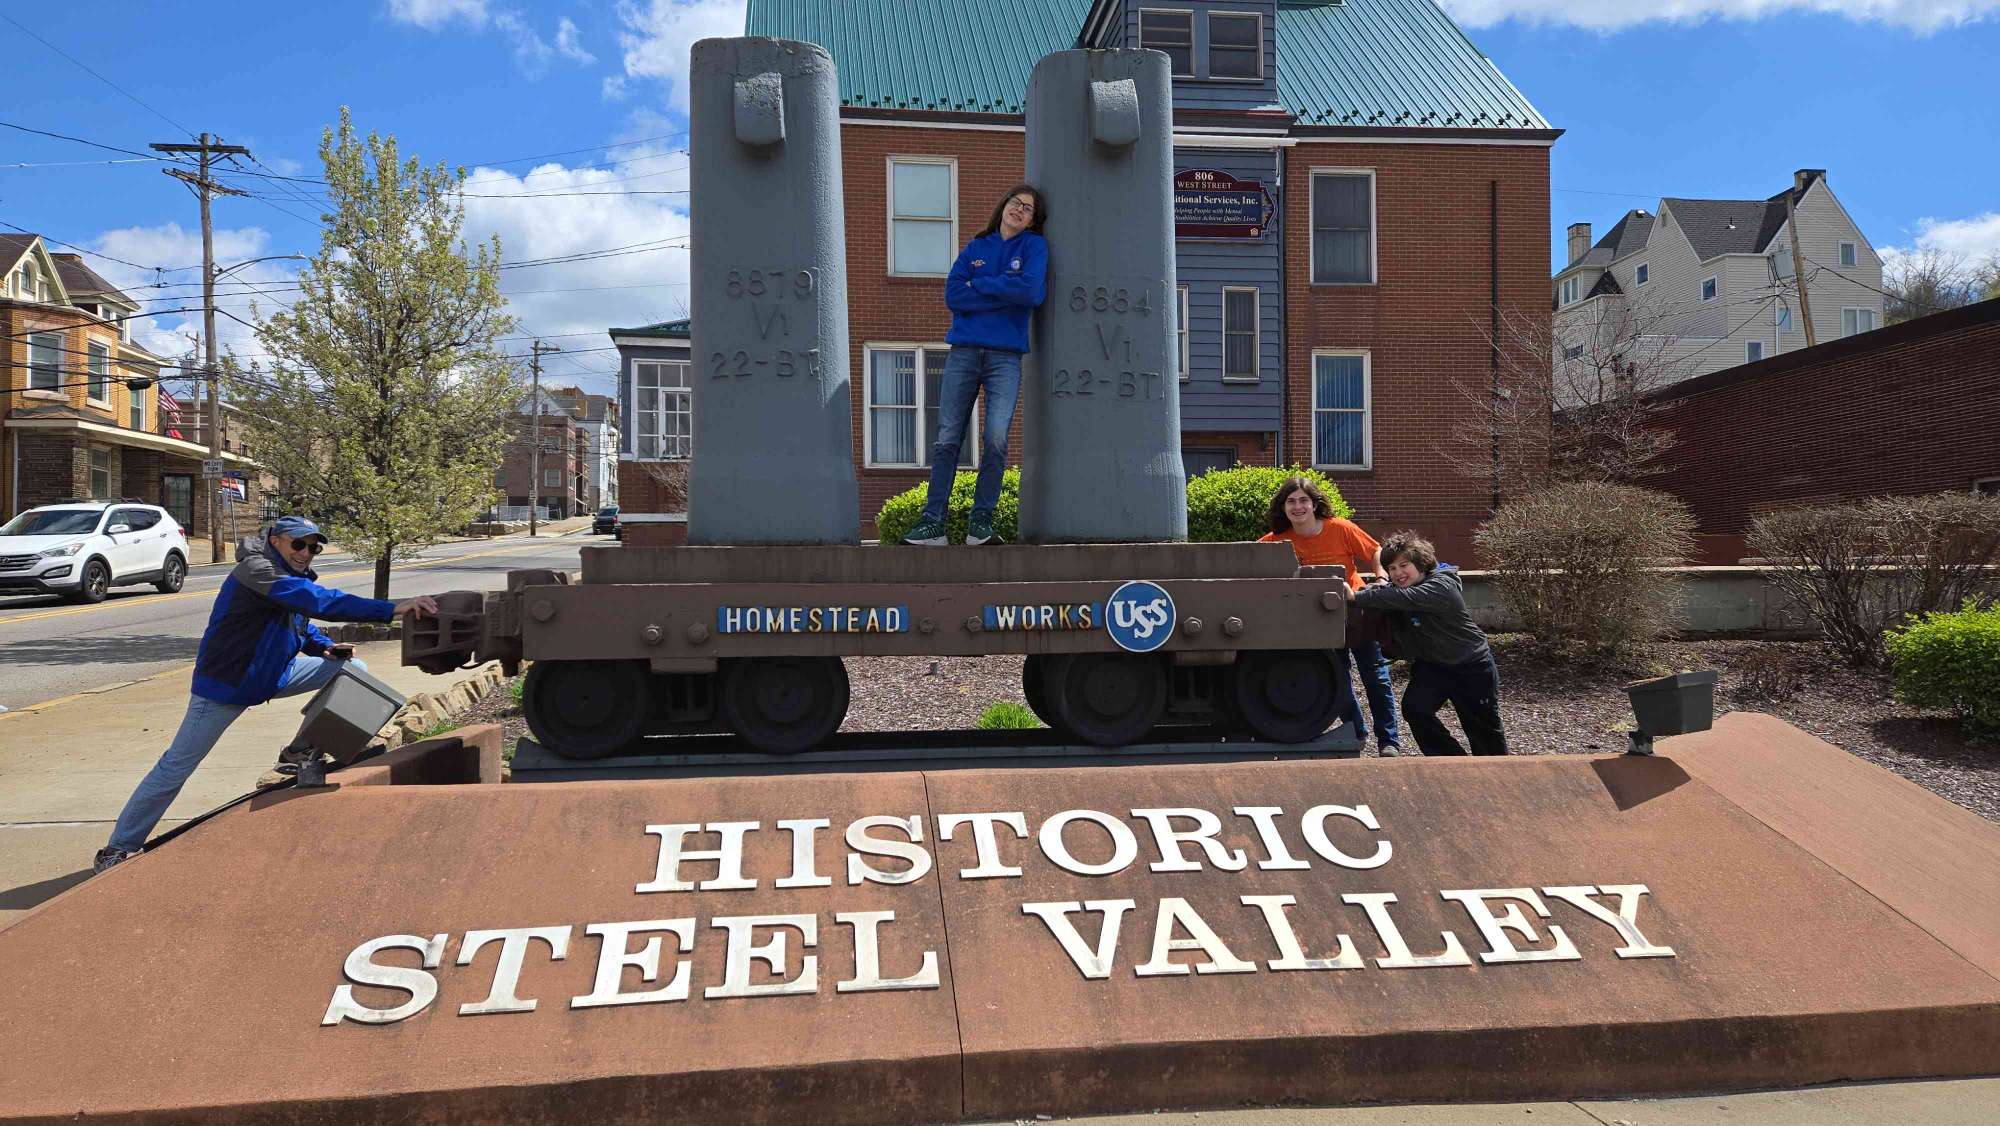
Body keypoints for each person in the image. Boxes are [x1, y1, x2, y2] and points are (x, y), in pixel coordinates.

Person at [92, 517, 437, 873]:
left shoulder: (288, 575)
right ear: (275, 541)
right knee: (176, 766)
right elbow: (318, 602)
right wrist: (391, 609)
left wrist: (323, 647)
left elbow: (300, 623)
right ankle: (117, 848)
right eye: (298, 544)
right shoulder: (258, 571)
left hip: (273, 675)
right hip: (227, 687)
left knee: (352, 670)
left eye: (313, 547)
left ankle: (300, 749)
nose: (306, 553)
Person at [904, 184, 1049, 547]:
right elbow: (954, 295)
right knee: (947, 437)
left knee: (996, 438)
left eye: (1028, 209)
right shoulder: (976, 247)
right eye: (1016, 203)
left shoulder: (1034, 247)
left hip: (1005, 357)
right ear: (1003, 205)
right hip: (964, 352)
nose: (1019, 210)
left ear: (1033, 220)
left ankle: (980, 524)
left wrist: (980, 285)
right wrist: (1006, 291)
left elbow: (1032, 292)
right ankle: (932, 523)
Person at [1258, 476, 1402, 755]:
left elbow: (1375, 551)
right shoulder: (1276, 541)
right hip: (1317, 621)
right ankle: (1356, 733)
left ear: (1314, 504)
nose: (1298, 507)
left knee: (1376, 676)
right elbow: (1250, 557)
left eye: (1303, 500)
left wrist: (1381, 578)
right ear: (1283, 507)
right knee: (1337, 680)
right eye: (1291, 501)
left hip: (1357, 613)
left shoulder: (1340, 528)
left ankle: (1389, 741)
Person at [1348, 531, 1508, 757]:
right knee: (1415, 708)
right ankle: (1451, 761)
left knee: (1482, 729)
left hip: (1471, 665)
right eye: (1392, 568)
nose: (1398, 573)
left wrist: (1356, 597)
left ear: (1421, 563)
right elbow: (1386, 594)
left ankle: (1496, 771)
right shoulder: (1399, 590)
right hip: (1433, 666)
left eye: (1404, 565)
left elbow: (1407, 598)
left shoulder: (1442, 585)